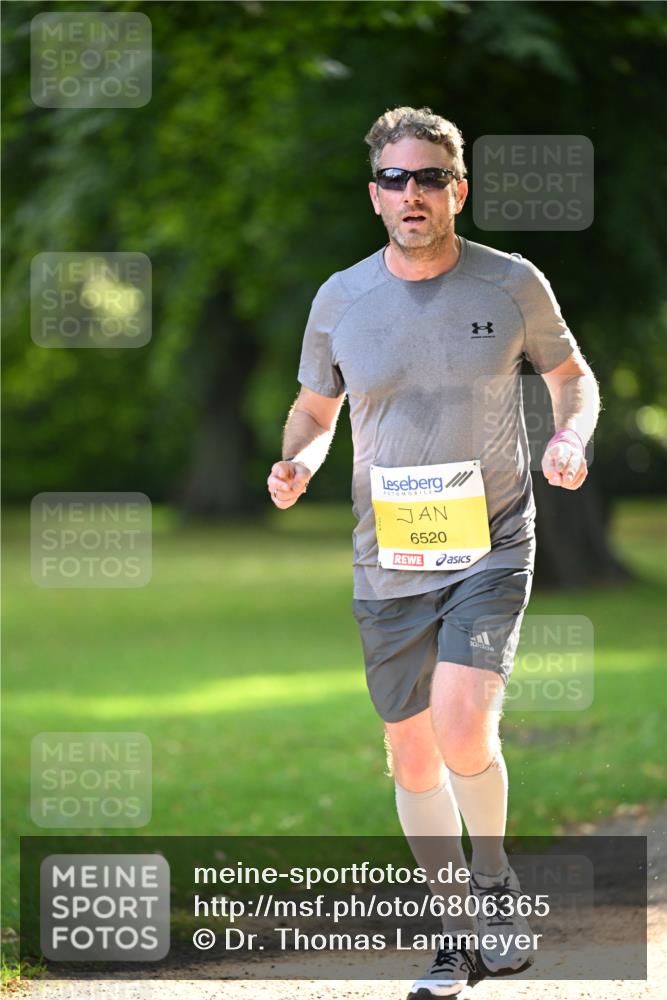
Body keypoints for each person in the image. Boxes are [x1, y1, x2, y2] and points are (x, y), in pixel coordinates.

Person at [266, 106, 600, 999]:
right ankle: (454, 933)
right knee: (410, 758)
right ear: (372, 194)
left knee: (460, 727)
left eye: (427, 178)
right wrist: (298, 457)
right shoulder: (340, 298)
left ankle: (493, 891)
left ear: (457, 187)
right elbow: (314, 407)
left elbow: (571, 377)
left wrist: (568, 439)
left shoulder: (510, 282)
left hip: (489, 541)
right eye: (393, 180)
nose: (410, 194)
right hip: (388, 559)